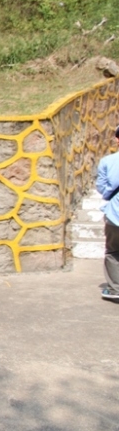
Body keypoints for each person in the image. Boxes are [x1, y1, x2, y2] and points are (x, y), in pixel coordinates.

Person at [96, 125, 119, 300]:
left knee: (113, 252)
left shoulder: (107, 161)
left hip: (115, 215)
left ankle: (115, 289)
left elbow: (103, 189)